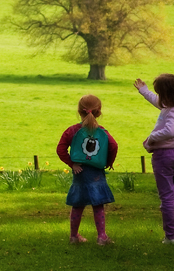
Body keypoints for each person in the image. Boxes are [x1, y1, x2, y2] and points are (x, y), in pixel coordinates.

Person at [134, 74, 174, 245]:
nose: (159, 97)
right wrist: (144, 91)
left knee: (167, 197)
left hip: (164, 156)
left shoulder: (172, 111)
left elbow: (170, 131)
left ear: (166, 95)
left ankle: (171, 237)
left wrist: (152, 137)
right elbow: (158, 102)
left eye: (160, 93)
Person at [56, 94, 118, 245]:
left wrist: (72, 164)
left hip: (80, 172)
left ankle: (73, 236)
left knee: (78, 204)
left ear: (79, 111)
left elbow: (60, 149)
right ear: (99, 112)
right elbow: (113, 146)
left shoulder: (72, 130)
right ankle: (102, 236)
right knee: (98, 204)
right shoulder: (102, 131)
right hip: (96, 172)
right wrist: (108, 162)